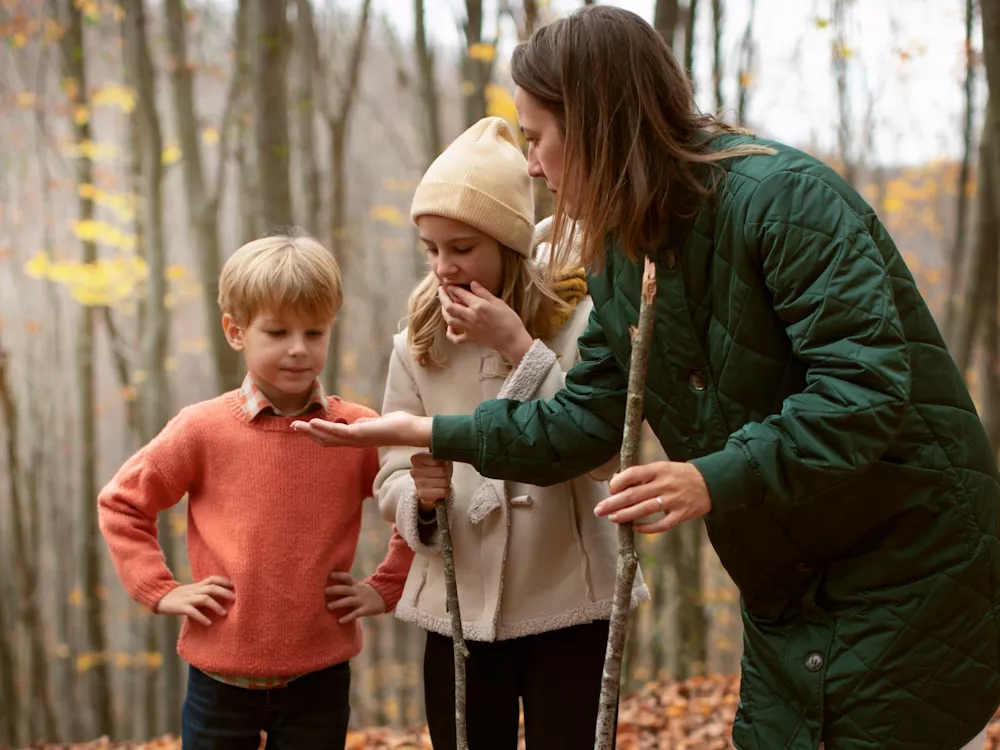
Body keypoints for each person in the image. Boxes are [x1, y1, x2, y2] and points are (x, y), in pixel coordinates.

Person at [292, 6, 1000, 750]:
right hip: (791, 587)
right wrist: (434, 432)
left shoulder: (787, 201)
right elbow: (583, 421)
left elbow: (863, 393)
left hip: (913, 572)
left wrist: (709, 477)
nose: (531, 165)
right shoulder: (625, 255)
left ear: (594, 125)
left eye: (536, 137)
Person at [325, 116, 648, 750]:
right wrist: (419, 499)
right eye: (431, 248)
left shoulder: (583, 320)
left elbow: (600, 454)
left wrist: (520, 346)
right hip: (457, 609)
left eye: (463, 247)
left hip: (569, 599)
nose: (443, 267)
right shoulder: (417, 344)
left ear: (510, 245)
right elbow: (392, 472)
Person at [98, 232, 413, 750]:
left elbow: (415, 502)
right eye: (277, 331)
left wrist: (386, 585)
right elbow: (123, 503)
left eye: (314, 331)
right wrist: (160, 588)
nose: (298, 348)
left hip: (319, 676)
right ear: (235, 331)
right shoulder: (201, 429)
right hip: (218, 679)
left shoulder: (356, 430)